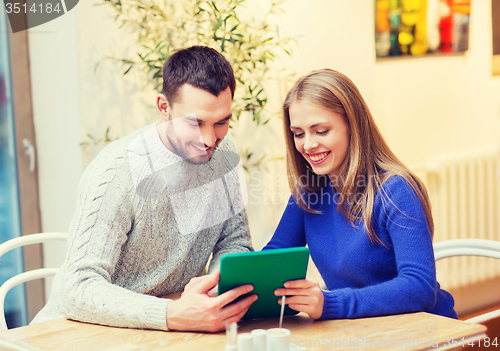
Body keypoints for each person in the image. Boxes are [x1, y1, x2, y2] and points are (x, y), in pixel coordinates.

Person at [31, 46, 256, 332]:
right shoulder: (117, 171)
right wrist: (170, 313)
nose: (210, 138)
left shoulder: (224, 154)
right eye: (195, 123)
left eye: (222, 122)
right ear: (164, 107)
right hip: (76, 333)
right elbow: (76, 289)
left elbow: (235, 241)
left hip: (164, 332)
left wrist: (217, 283)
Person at [264, 69, 457, 320]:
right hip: (360, 331)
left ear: (352, 125)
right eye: (298, 134)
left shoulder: (396, 190)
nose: (308, 145)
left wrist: (330, 303)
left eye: (321, 131)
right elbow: (272, 261)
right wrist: (229, 282)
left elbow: (419, 288)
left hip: (424, 333)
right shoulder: (308, 193)